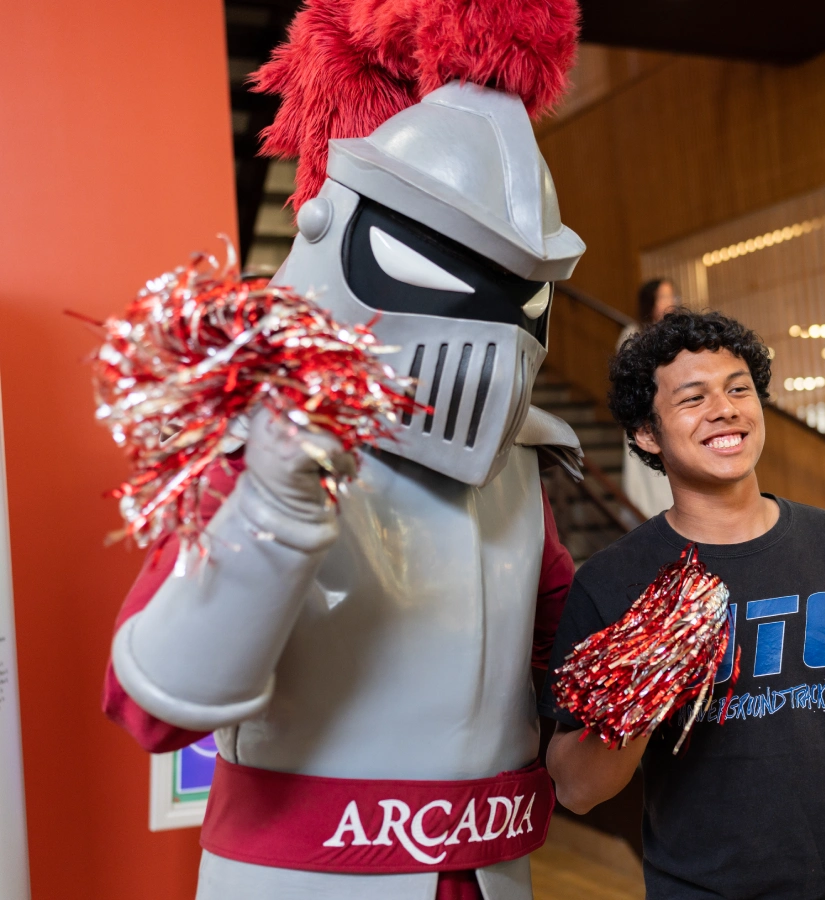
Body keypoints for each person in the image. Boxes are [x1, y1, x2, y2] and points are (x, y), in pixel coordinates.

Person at [101, 2, 586, 899]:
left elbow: (556, 636)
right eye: (448, 262)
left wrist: (635, 650)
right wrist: (271, 512)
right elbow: (154, 701)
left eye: (518, 285)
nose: (486, 323)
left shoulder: (518, 462)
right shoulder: (262, 433)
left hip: (488, 871)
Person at [541, 309, 825, 900]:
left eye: (738, 389)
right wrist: (638, 686)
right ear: (647, 433)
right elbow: (576, 790)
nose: (724, 409)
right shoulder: (613, 582)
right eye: (692, 398)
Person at [619, 278, 681, 518]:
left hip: (672, 414)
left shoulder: (675, 335)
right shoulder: (632, 333)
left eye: (671, 296)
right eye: (663, 296)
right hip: (646, 417)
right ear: (650, 301)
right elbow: (628, 381)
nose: (670, 302)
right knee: (646, 479)